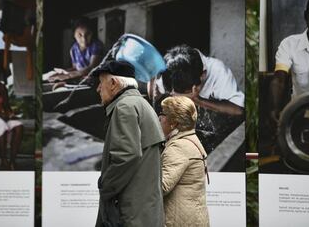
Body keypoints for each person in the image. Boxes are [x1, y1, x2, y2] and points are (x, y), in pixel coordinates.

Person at [93, 60, 165, 227]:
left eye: (100, 83)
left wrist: (105, 186)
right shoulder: (142, 104)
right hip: (144, 211)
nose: (98, 89)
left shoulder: (124, 107)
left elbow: (127, 156)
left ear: (113, 83)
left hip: (130, 213)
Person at [269, 0, 309, 132]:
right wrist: (275, 108)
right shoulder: (289, 45)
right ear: (306, 16)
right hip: (299, 116)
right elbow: (279, 79)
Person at [159, 96, 210, 227]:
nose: (159, 118)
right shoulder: (191, 139)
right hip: (193, 218)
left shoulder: (178, 147)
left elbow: (162, 186)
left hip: (179, 221)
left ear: (174, 123)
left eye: (162, 114)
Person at [156, 45, 244, 116]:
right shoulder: (171, 73)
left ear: (203, 75)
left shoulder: (218, 71)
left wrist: (197, 100)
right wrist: (151, 77)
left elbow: (239, 109)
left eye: (187, 93)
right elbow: (154, 94)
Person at [48, 17, 103, 82]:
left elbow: (91, 68)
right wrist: (63, 72)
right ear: (74, 35)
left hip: (96, 81)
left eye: (87, 34)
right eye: (80, 35)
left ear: (92, 33)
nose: (84, 39)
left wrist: (68, 76)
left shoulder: (97, 46)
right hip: (80, 80)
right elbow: (75, 68)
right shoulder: (73, 49)